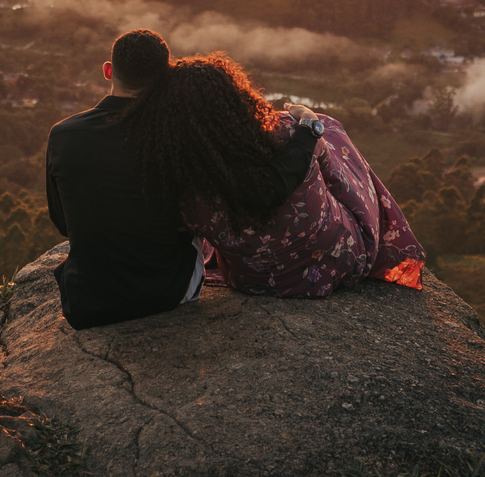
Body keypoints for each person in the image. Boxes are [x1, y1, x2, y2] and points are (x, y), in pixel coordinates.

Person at [44, 28, 318, 329]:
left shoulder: (63, 135)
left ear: (108, 71)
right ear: (166, 77)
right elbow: (263, 188)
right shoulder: (175, 138)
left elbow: (63, 224)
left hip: (86, 305)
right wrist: (307, 132)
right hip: (165, 294)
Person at [127, 53, 424, 299]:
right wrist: (309, 122)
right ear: (234, 99)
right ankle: (368, 227)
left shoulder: (176, 177)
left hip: (253, 282)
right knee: (329, 130)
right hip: (342, 261)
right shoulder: (286, 133)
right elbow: (313, 160)